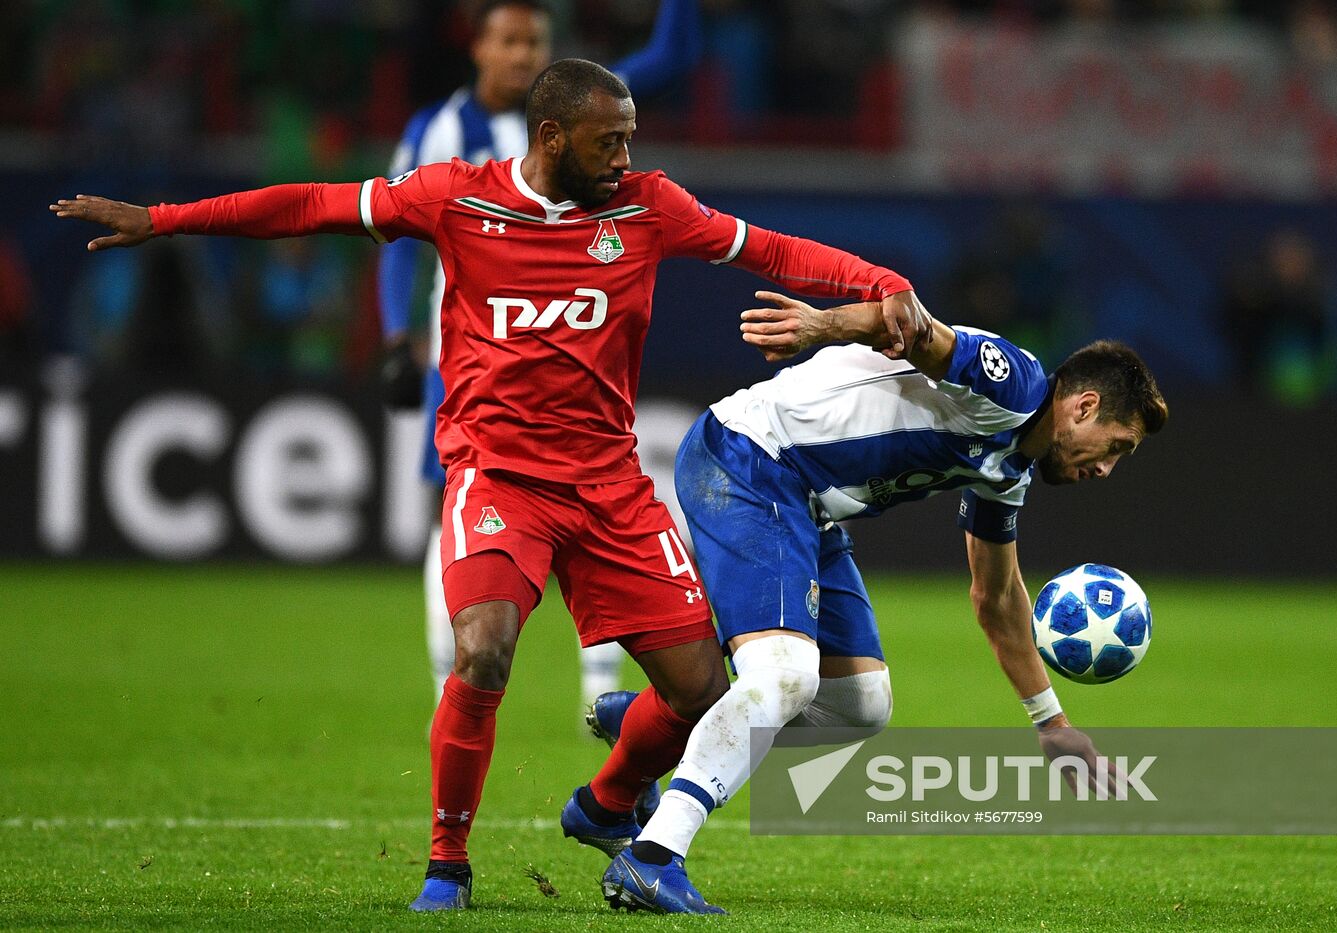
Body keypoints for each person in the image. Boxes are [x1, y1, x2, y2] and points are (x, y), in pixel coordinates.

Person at [51, 59, 931, 913]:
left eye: (629, 139)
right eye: (609, 142)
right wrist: (166, 219)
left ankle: (607, 802)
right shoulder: (453, 196)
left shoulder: (648, 207)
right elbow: (313, 206)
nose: (626, 158)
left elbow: (772, 249)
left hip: (609, 484)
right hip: (499, 473)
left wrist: (884, 288)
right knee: (482, 649)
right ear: (552, 136)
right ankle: (447, 863)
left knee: (703, 690)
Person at [600, 291, 1168, 914]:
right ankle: (653, 858)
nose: (1108, 469)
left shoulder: (1008, 469)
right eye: (1116, 445)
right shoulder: (1017, 386)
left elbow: (998, 596)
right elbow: (909, 324)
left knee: (860, 706)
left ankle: (658, 732)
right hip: (752, 458)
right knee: (786, 678)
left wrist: (1052, 724)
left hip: (807, 505)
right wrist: (821, 324)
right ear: (1083, 407)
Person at [378, 0, 702, 709]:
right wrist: (397, 336)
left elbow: (674, 55)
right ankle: (450, 681)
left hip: (577, 347)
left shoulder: (585, 107)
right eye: (511, 41)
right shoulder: (437, 132)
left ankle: (600, 689)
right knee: (458, 514)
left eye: (536, 42)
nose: (524, 55)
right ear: (480, 48)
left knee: (594, 504)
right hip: (470, 358)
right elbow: (396, 233)